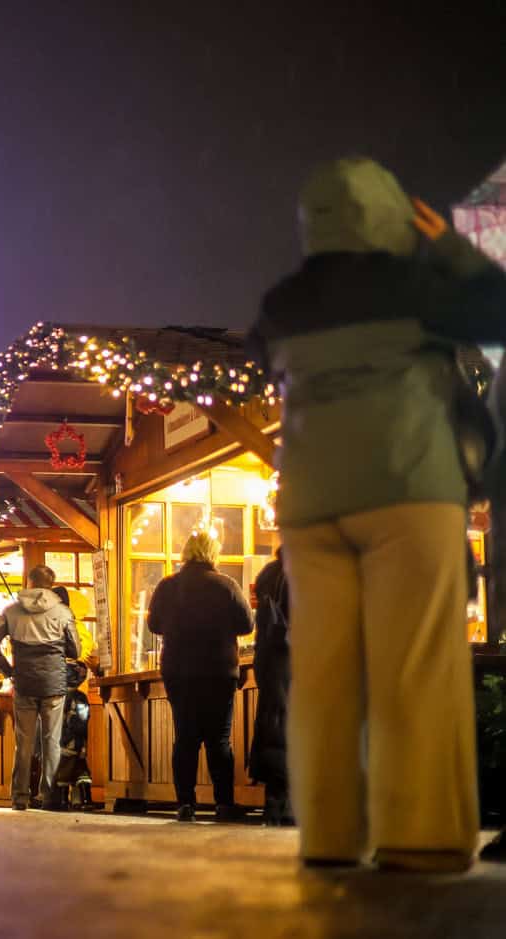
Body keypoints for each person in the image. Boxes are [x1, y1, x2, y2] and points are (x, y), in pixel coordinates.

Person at [250, 157, 506, 871]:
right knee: (414, 668)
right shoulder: (413, 288)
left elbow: (258, 354)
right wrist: (451, 249)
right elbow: (498, 309)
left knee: (324, 677)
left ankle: (329, 835)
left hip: (312, 503)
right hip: (407, 488)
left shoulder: (282, 302)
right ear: (389, 216)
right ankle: (418, 834)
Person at [145, 533, 252, 823]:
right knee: (219, 740)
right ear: (212, 553)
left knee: (186, 738)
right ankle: (224, 804)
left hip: (179, 671)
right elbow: (247, 623)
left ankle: (185, 804)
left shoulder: (168, 585)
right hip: (218, 671)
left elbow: (154, 624)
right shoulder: (225, 585)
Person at [0, 564, 79, 811]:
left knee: (23, 742)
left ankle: (19, 797)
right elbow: (75, 650)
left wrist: (7, 670)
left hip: (24, 682)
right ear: (51, 583)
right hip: (54, 684)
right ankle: (49, 796)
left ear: (29, 582)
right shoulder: (62, 611)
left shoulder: (12, 611)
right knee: (52, 741)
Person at [249, 550, 294, 827]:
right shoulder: (308, 571)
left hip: (270, 661)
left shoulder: (269, 574)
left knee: (274, 726)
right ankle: (289, 805)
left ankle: (274, 803)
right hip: (297, 660)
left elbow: (257, 624)